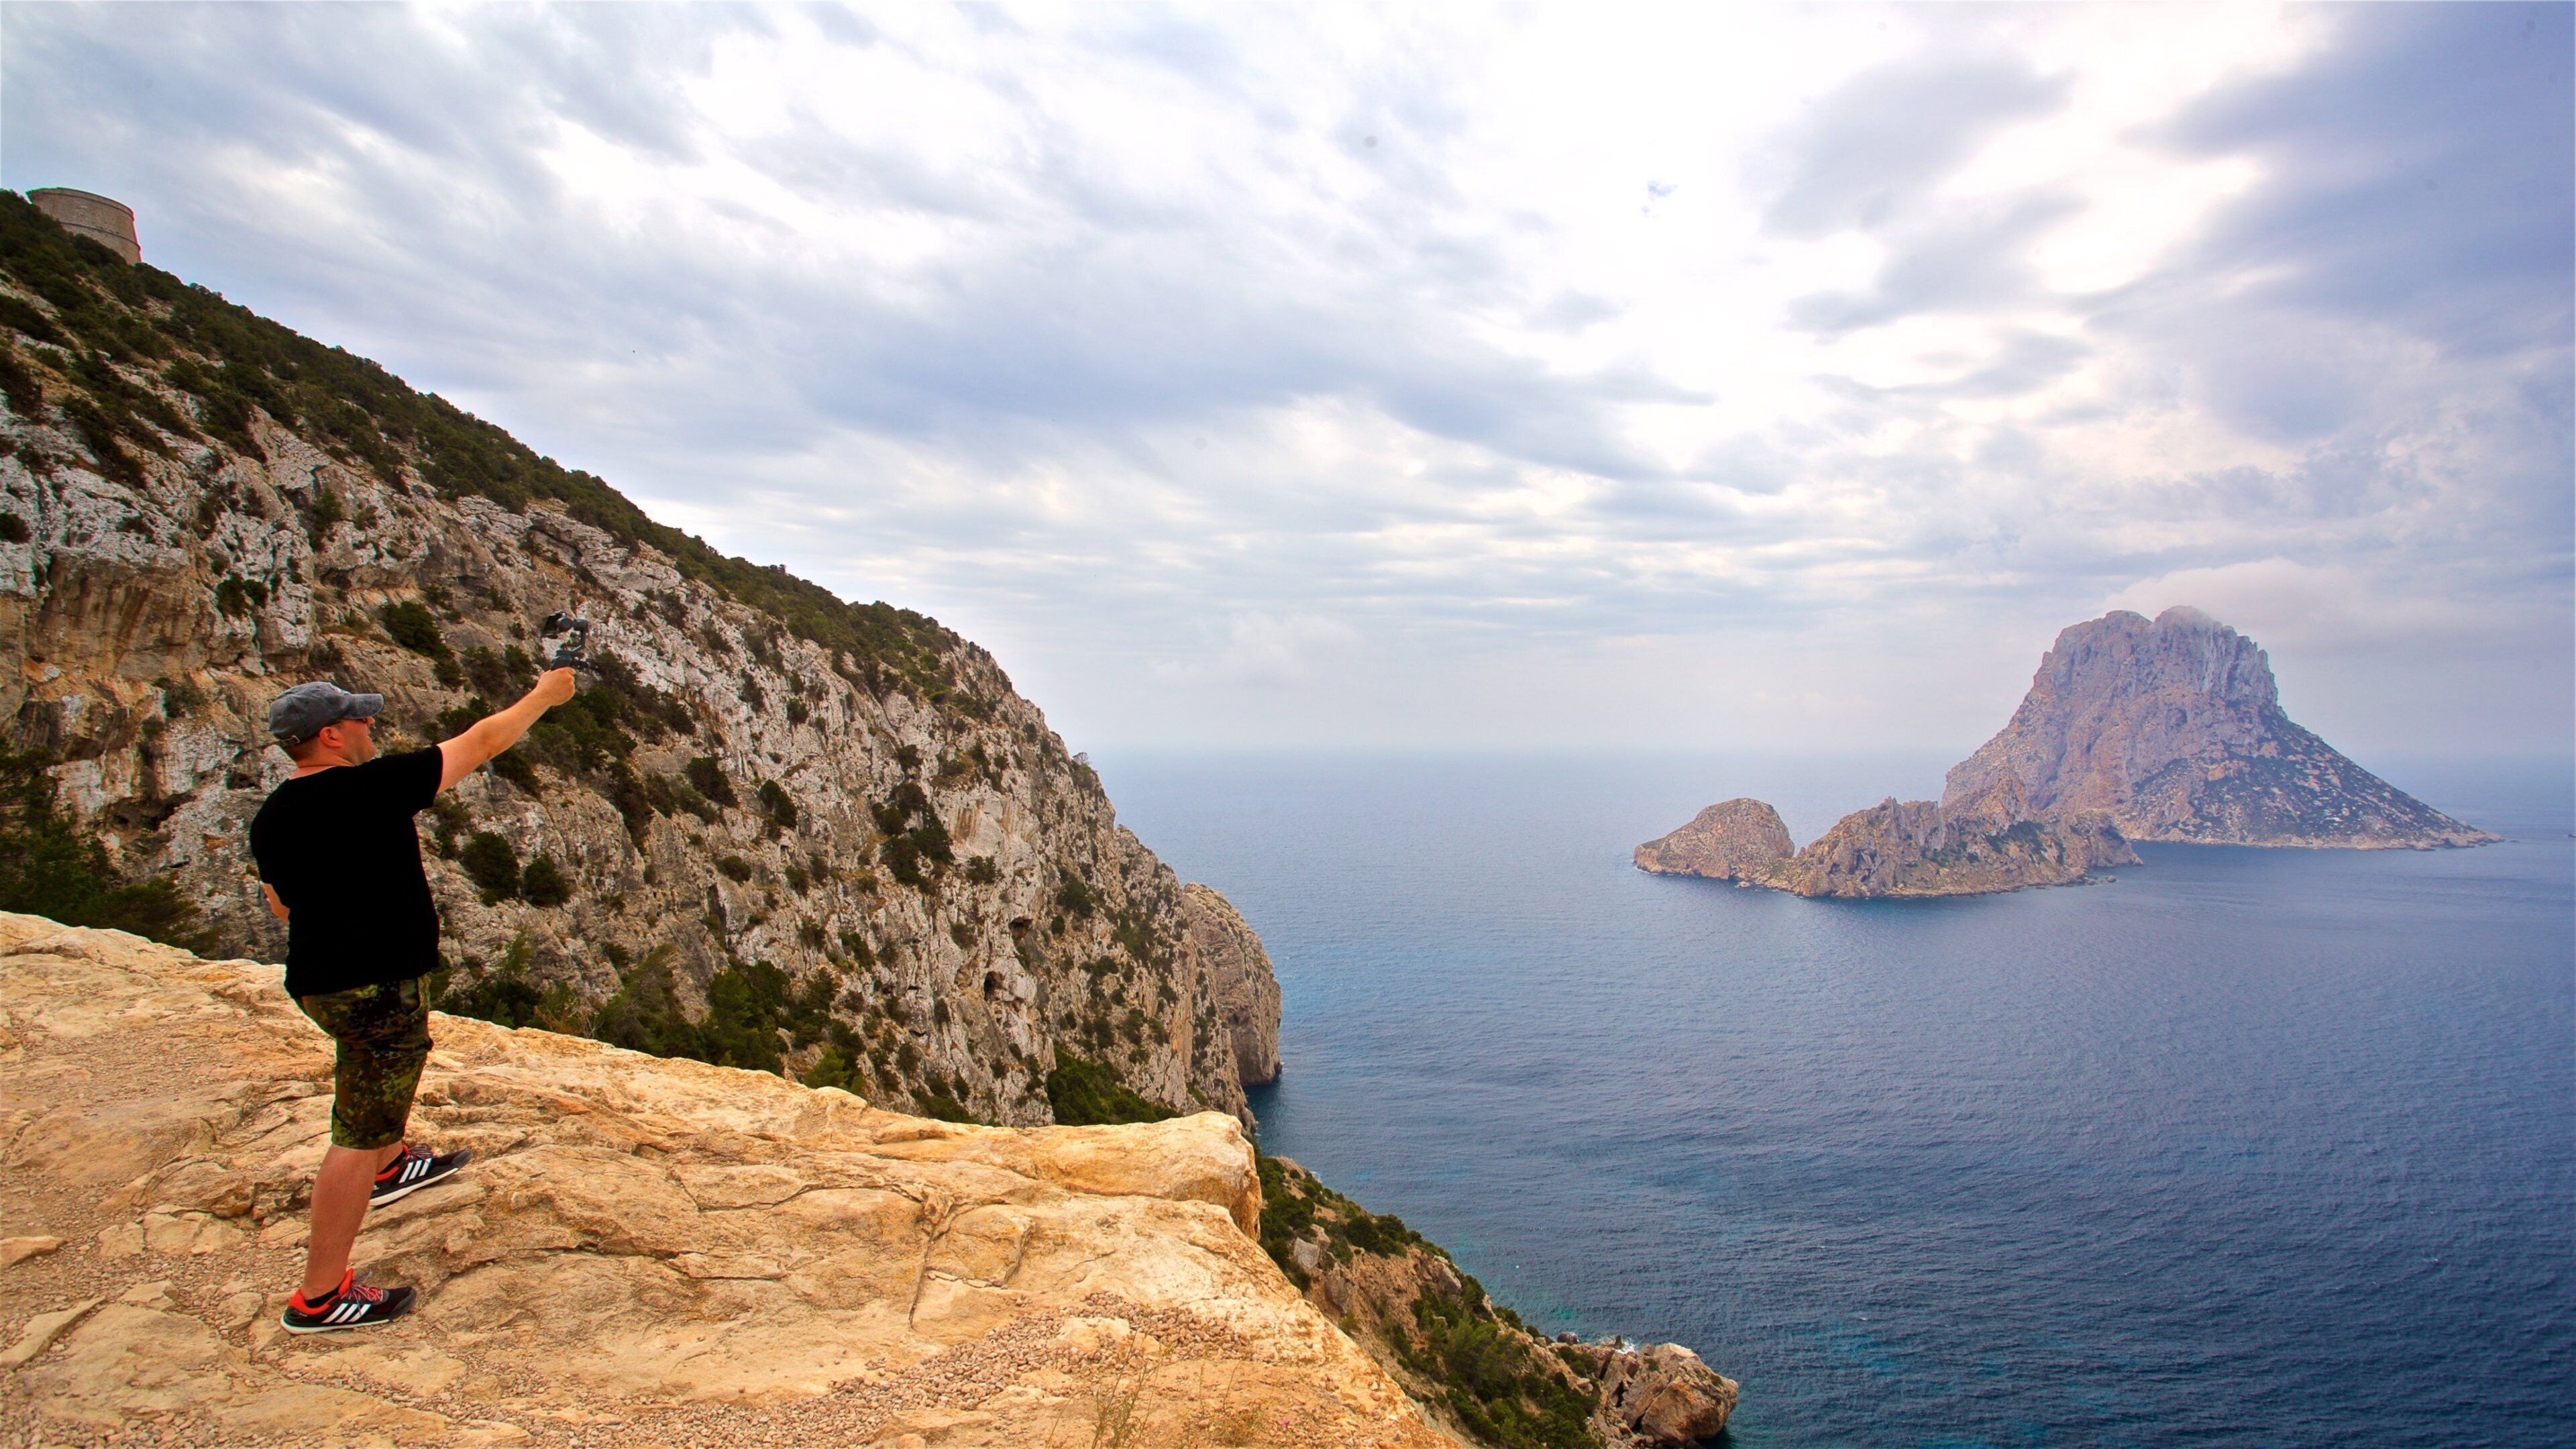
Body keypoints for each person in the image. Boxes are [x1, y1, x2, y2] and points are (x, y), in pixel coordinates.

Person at [248, 668, 576, 1333]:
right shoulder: (371, 787)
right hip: (374, 983)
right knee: (356, 1130)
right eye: (359, 718)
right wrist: (545, 695)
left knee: (378, 1079)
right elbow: (483, 742)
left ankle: (393, 1163)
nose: (371, 724)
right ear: (331, 736)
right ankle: (319, 1296)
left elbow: (281, 905)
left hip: (322, 982)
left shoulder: (273, 816)